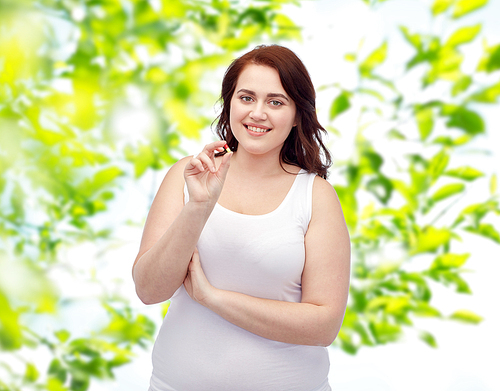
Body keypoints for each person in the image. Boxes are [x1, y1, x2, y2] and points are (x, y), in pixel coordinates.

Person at [132, 44, 351, 391]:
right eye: (246, 98)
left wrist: (212, 298)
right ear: (229, 103)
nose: (257, 113)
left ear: (296, 115)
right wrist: (199, 206)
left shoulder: (315, 196)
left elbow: (323, 325)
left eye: (275, 102)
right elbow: (148, 289)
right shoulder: (187, 176)